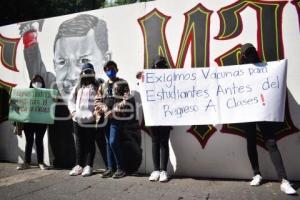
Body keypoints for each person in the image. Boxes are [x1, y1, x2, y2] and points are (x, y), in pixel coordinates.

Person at [19, 14, 109, 168]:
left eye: (83, 61)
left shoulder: (101, 89)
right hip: (62, 163)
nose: (72, 74)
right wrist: (30, 42)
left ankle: (88, 165)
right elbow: (37, 69)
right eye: (62, 62)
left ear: (105, 59)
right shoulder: (53, 88)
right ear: (54, 64)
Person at [239, 43, 297, 195]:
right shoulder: (239, 71)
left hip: (263, 110)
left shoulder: (266, 68)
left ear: (255, 53)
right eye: (247, 53)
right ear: (243, 56)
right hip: (247, 110)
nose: (250, 56)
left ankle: (284, 180)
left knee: (271, 142)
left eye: (251, 52)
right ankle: (256, 173)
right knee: (251, 141)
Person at [136, 56, 172, 182]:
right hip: (152, 115)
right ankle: (156, 170)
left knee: (164, 142)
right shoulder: (148, 78)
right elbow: (139, 84)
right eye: (157, 65)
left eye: (161, 65)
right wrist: (140, 77)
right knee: (155, 142)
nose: (159, 67)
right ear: (153, 66)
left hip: (166, 115)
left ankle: (164, 171)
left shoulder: (170, 78)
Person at [94, 61, 130, 179]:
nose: (110, 71)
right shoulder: (102, 86)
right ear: (105, 71)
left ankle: (121, 168)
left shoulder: (122, 83)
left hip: (117, 117)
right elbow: (97, 100)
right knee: (108, 143)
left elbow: (126, 99)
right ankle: (110, 168)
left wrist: (113, 111)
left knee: (113, 141)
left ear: (117, 69)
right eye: (108, 69)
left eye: (112, 68)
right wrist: (105, 109)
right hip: (105, 118)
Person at [68, 63, 98, 177]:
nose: (87, 74)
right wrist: (73, 112)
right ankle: (78, 165)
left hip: (91, 120)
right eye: (85, 72)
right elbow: (71, 100)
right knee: (79, 143)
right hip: (77, 120)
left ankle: (89, 166)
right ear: (81, 74)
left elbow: (101, 100)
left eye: (90, 71)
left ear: (93, 73)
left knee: (90, 143)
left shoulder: (98, 86)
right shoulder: (78, 87)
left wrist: (95, 114)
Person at [16, 74, 49, 170]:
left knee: (39, 141)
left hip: (41, 122)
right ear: (31, 83)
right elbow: (19, 104)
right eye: (35, 81)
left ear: (43, 83)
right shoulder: (26, 94)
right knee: (29, 141)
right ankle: (27, 162)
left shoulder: (47, 94)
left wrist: (53, 100)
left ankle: (40, 162)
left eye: (39, 81)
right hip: (29, 122)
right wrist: (13, 101)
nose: (37, 83)